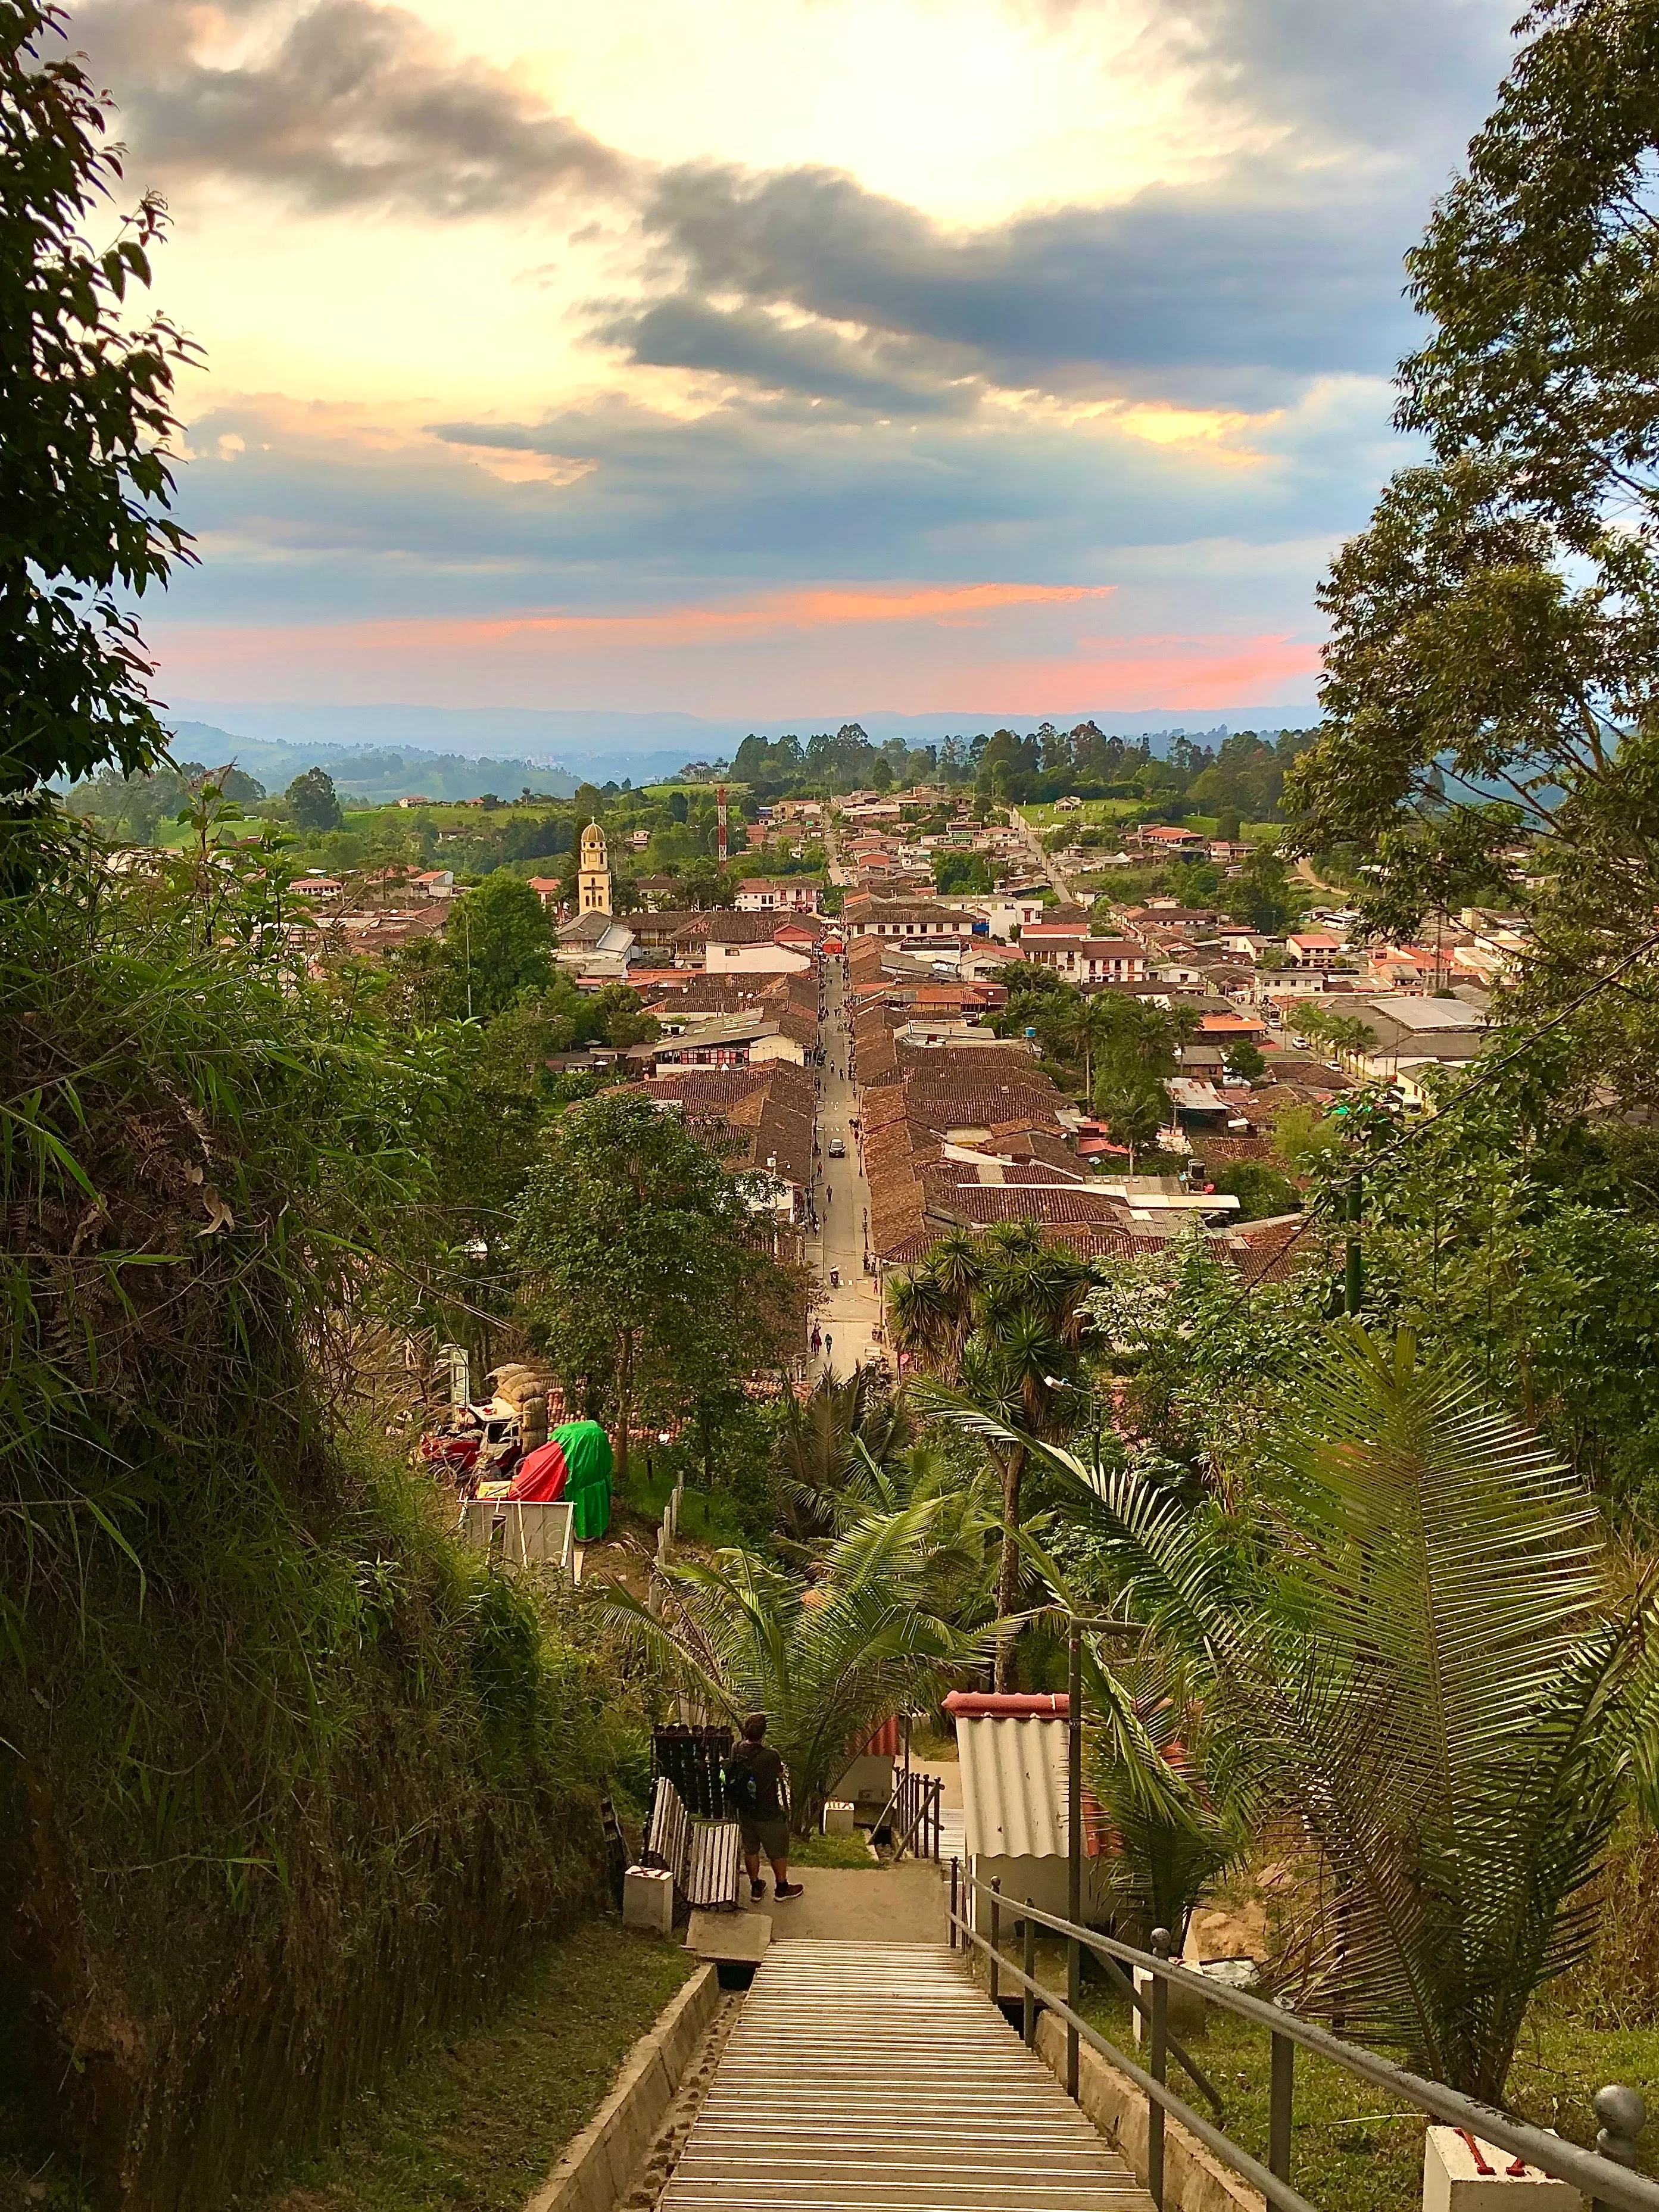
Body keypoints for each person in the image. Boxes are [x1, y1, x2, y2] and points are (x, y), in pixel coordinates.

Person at [724, 1712, 802, 1901]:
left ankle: (756, 1887)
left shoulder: (736, 1748)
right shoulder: (770, 1755)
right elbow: (780, 1774)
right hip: (767, 1811)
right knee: (777, 1849)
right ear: (764, 1733)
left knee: (750, 1848)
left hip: (745, 1809)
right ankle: (782, 1888)